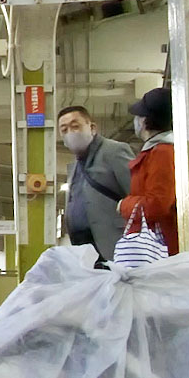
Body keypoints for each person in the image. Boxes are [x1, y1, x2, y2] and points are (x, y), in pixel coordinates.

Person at [58, 105, 134, 265]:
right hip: (84, 249)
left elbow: (135, 193)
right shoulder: (75, 166)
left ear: (92, 128)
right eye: (64, 130)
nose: (70, 133)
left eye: (75, 126)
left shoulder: (114, 151)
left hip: (113, 244)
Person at [119, 87, 179, 255]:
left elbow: (157, 204)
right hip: (159, 243)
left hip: (158, 247)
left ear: (144, 121)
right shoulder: (159, 150)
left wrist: (124, 205)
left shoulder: (162, 153)